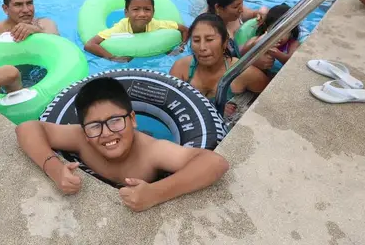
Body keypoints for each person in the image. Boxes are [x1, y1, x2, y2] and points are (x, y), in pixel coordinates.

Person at [15, 77, 229, 211]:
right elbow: (27, 128)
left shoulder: (151, 151)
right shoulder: (82, 139)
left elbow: (214, 163)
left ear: (133, 119)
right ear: (84, 128)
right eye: (95, 126)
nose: (107, 133)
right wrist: (55, 169)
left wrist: (155, 193)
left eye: (115, 121)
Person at [170, 14, 270, 114]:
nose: (202, 47)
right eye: (196, 40)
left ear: (225, 42)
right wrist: (211, 107)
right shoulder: (181, 68)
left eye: (209, 40)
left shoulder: (242, 72)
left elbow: (271, 97)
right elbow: (169, 105)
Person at [84, 0, 188, 62]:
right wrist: (112, 57)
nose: (142, 14)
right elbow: (90, 45)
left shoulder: (156, 24)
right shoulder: (119, 28)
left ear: (153, 12)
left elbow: (184, 29)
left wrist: (181, 46)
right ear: (126, 12)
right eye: (136, 9)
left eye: (147, 9)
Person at [197, 0, 267, 56]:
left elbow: (256, 13)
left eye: (242, 3)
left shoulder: (239, 12)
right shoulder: (207, 29)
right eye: (236, 6)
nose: (241, 9)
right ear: (218, 7)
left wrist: (262, 11)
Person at [239, 4, 302, 77]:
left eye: (284, 32)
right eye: (274, 31)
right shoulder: (257, 39)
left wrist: (277, 53)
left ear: (291, 32)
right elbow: (242, 53)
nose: (278, 36)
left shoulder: (292, 44)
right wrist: (256, 44)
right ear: (267, 28)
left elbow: (292, 62)